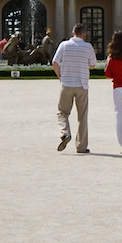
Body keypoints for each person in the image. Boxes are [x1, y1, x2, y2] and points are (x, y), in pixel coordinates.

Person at [50, 22, 97, 154]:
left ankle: (65, 132)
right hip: (82, 85)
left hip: (66, 84)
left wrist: (60, 76)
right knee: (82, 116)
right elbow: (93, 65)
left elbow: (54, 62)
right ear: (84, 34)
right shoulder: (88, 47)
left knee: (62, 112)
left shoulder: (64, 45)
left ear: (72, 33)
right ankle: (81, 146)